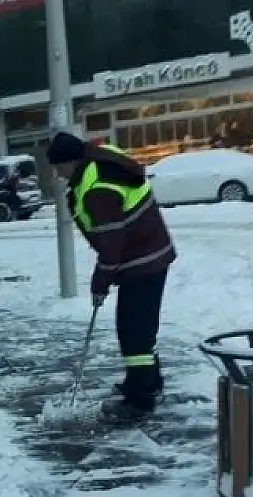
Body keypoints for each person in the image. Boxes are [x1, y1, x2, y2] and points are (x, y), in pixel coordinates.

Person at [46, 131, 177, 421]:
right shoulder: (96, 162)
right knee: (139, 328)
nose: (56, 174)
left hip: (142, 260)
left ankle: (140, 401)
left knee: (134, 334)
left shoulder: (96, 189)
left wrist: (99, 284)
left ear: (71, 161)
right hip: (146, 255)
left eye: (58, 167)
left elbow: (111, 244)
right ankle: (146, 382)